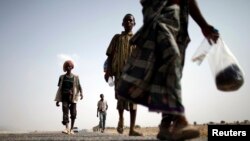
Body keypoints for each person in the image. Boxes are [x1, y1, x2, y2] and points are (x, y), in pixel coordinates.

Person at [116, 0, 219, 140]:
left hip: (179, 23)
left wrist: (203, 25)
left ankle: (165, 125)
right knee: (171, 57)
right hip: (160, 14)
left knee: (170, 73)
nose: (128, 23)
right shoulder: (118, 38)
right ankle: (179, 119)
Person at [104, 13, 142, 136]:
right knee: (120, 99)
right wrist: (108, 71)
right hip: (120, 73)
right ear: (122, 24)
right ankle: (121, 119)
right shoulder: (117, 38)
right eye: (126, 21)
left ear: (134, 23)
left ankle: (132, 129)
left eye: (131, 20)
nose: (128, 22)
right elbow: (110, 55)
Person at [54, 60, 83, 135]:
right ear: (65, 68)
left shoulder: (76, 77)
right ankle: (67, 128)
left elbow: (79, 86)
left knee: (73, 114)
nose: (68, 67)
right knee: (65, 112)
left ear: (72, 67)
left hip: (73, 97)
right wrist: (58, 100)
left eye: (70, 66)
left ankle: (72, 129)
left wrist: (82, 93)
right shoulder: (62, 77)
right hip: (64, 97)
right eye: (67, 66)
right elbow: (60, 88)